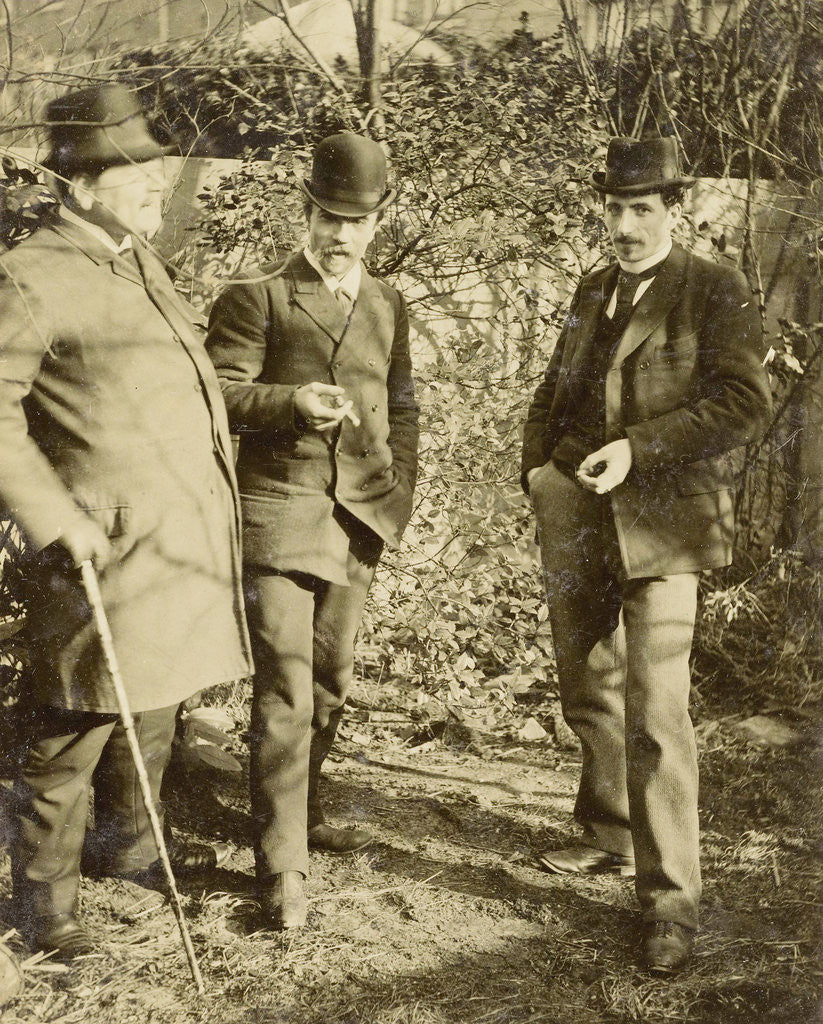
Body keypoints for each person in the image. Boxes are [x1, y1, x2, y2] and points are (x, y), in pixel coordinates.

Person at [0, 84, 253, 960]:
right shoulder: (33, 273)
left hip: (167, 536)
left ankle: (130, 850)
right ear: (78, 186)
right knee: (74, 723)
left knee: (153, 699)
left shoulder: (132, 255)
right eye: (131, 170)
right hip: (94, 543)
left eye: (151, 165)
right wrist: (48, 514)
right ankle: (43, 908)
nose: (154, 183)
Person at [521, 137, 772, 974]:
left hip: (664, 526)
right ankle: (607, 832)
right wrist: (537, 471)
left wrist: (638, 447)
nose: (625, 226)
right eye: (614, 209)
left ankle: (670, 902)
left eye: (642, 210)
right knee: (585, 680)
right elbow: (554, 385)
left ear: (673, 209)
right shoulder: (593, 287)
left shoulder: (715, 288)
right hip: (574, 510)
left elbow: (742, 403)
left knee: (656, 708)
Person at [206, 132, 419, 930]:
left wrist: (395, 499)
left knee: (330, 682)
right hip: (278, 515)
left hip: (358, 517)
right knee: (287, 687)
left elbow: (403, 409)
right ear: (306, 211)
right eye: (328, 218)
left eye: (356, 222)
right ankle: (281, 864)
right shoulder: (256, 295)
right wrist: (289, 400)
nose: (340, 236)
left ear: (376, 223)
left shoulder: (388, 301)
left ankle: (297, 805)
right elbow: (218, 392)